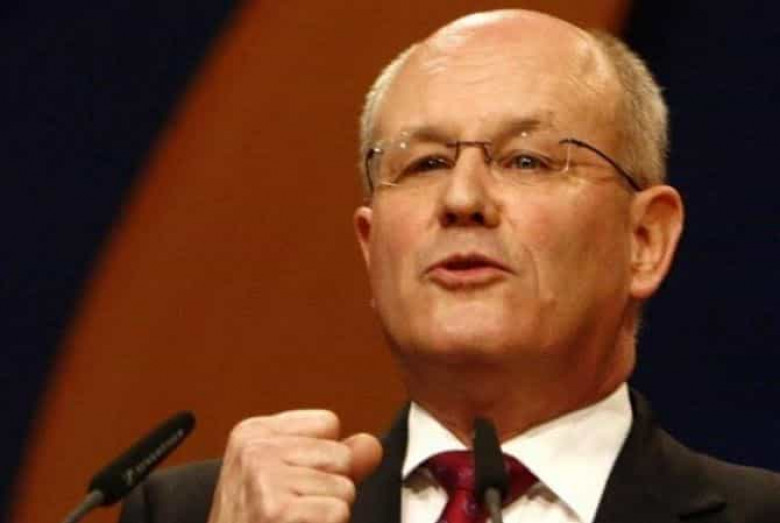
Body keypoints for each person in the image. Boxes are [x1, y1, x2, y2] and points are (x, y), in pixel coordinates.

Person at [119, 9, 780, 523]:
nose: (462, 199)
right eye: (425, 163)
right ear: (371, 247)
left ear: (644, 240)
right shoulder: (197, 513)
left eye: (527, 160)